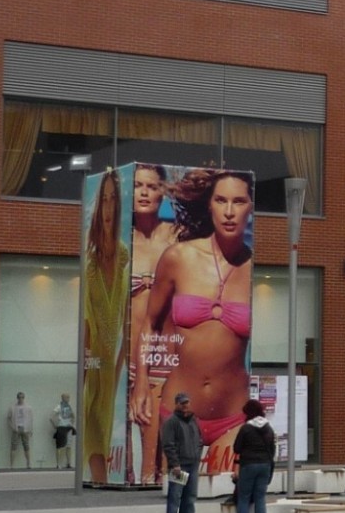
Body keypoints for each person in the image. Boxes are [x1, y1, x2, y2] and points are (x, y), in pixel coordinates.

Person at [145, 169, 255, 476]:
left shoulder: (256, 270)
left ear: (251, 207)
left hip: (233, 414)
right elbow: (150, 323)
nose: (230, 212)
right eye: (221, 201)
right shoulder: (178, 257)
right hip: (179, 410)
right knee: (178, 499)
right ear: (209, 205)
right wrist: (141, 383)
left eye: (239, 201)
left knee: (222, 499)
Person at [127, 164, 179, 485]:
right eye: (137, 185)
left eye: (151, 186)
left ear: (163, 192)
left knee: (165, 434)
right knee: (137, 433)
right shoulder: (122, 239)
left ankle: (169, 487)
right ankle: (147, 481)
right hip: (128, 353)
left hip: (166, 350)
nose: (144, 192)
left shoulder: (177, 237)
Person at [81, 172, 130, 484]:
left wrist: (118, 365)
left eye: (113, 199)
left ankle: (101, 482)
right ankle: (98, 481)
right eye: (104, 199)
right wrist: (85, 370)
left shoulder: (125, 255)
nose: (108, 207)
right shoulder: (90, 260)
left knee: (104, 424)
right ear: (98, 205)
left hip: (113, 363)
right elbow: (87, 322)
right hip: (94, 360)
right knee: (91, 424)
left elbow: (128, 319)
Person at [231, 399, 277, 513]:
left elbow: (237, 448)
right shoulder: (268, 428)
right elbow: (272, 449)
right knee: (260, 499)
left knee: (244, 498)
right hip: (265, 465)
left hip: (249, 465)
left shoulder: (246, 428)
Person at [160, 391, 203, 513]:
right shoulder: (171, 421)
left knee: (190, 496)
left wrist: (198, 456)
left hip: (193, 464)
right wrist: (174, 464)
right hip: (179, 466)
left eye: (187, 403)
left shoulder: (193, 420)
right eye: (182, 403)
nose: (185, 406)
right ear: (176, 404)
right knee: (175, 497)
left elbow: (200, 440)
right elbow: (168, 445)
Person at [8, 391, 33, 468]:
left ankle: (28, 463)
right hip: (16, 428)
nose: (21, 399)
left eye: (22, 397)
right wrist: (12, 427)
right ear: (17, 398)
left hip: (25, 429)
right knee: (13, 446)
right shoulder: (12, 407)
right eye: (19, 397)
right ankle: (11, 465)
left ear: (24, 398)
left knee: (26, 446)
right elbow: (8, 418)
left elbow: (31, 419)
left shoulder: (28, 407)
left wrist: (31, 429)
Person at [51, 393, 76, 469]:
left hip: (69, 428)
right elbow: (51, 417)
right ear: (62, 398)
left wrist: (72, 422)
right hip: (61, 428)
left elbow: (73, 416)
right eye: (67, 397)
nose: (68, 398)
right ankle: (58, 464)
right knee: (60, 447)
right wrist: (55, 425)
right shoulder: (59, 407)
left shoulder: (69, 407)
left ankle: (69, 463)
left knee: (69, 446)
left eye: (69, 397)